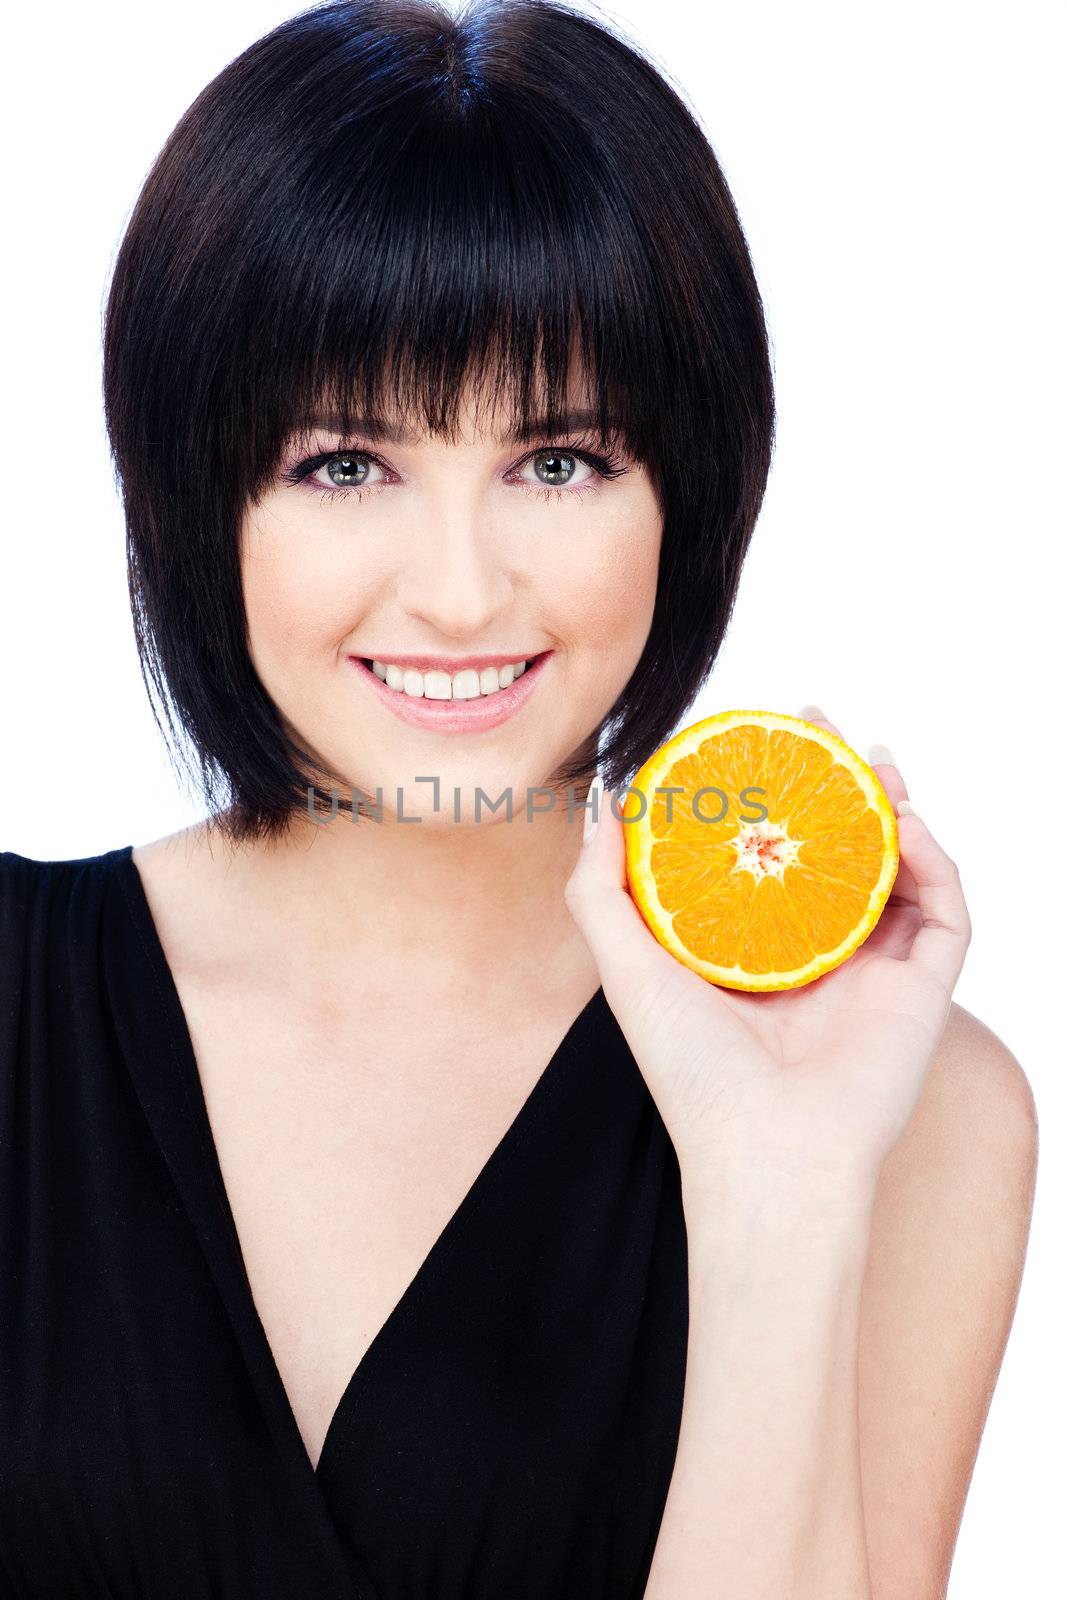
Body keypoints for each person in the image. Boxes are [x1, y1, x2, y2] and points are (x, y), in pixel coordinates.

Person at [0, 1, 1037, 1596]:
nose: (466, 591)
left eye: (558, 460)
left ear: (693, 484)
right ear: (192, 490)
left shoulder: (913, 1111)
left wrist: (783, 1191)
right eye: (344, 463)